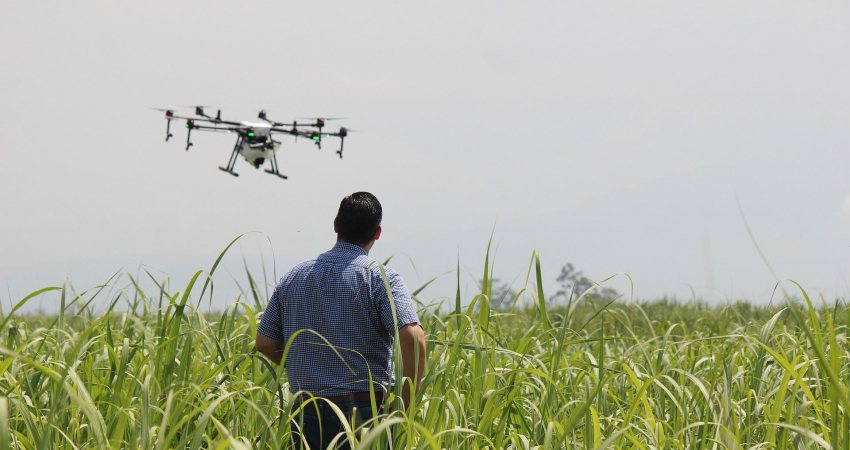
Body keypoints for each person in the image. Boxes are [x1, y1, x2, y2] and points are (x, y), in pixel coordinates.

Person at [255, 191, 426, 450]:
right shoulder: (381, 278)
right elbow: (413, 338)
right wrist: (404, 403)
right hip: (364, 413)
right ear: (377, 233)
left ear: (336, 224)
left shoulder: (293, 278)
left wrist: (311, 365)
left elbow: (265, 343)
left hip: (307, 410)